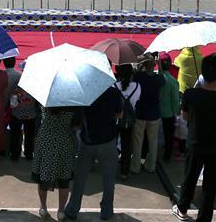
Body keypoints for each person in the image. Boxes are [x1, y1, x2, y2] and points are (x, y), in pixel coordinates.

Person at [172, 54, 216, 222]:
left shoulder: (190, 94)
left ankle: (183, 209)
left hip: (194, 145)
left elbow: (184, 117)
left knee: (189, 179)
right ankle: (204, 218)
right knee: (210, 186)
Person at [65, 79, 123, 221]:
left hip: (87, 141)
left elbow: (77, 119)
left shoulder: (85, 93)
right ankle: (106, 211)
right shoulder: (114, 92)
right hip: (108, 141)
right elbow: (119, 114)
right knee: (109, 179)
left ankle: (72, 209)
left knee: (80, 178)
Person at [33, 106, 80, 220]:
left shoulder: (45, 102)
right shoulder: (73, 105)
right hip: (65, 143)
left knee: (43, 177)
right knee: (64, 181)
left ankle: (43, 208)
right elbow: (76, 126)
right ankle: (61, 211)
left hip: (46, 141)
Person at [131, 56, 165, 173]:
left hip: (141, 113)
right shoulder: (158, 79)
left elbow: (134, 74)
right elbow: (163, 78)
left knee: (137, 141)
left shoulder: (139, 77)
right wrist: (159, 64)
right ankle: (150, 166)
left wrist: (141, 64)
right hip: (154, 113)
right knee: (153, 141)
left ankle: (135, 166)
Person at [115, 63, 139, 180]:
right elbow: (136, 103)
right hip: (129, 120)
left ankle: (110, 168)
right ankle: (124, 172)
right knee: (126, 146)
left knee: (113, 144)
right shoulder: (137, 86)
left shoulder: (114, 86)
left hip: (115, 119)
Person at [158, 54, 181, 161]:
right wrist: (176, 112)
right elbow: (176, 101)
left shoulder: (156, 78)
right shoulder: (173, 81)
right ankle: (167, 156)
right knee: (169, 136)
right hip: (168, 114)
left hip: (156, 112)